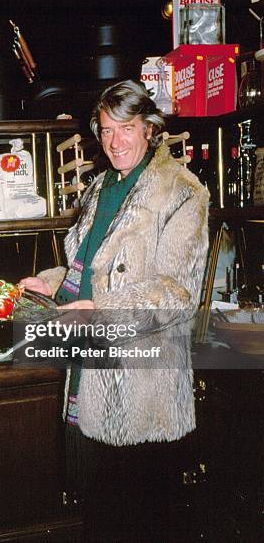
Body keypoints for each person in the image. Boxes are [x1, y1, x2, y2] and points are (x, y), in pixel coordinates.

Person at [20, 80, 209, 540]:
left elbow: (176, 293)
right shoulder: (102, 185)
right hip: (92, 370)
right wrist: (47, 284)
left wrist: (100, 308)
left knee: (142, 518)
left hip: (142, 385)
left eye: (125, 128)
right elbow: (86, 268)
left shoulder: (181, 190)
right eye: (106, 131)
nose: (115, 141)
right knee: (102, 514)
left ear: (149, 128)